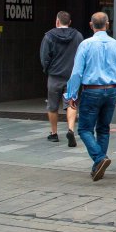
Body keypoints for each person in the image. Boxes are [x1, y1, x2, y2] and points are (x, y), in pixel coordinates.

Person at [65, 12, 116, 182]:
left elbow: (77, 72)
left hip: (92, 90)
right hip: (111, 90)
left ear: (91, 25)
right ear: (107, 25)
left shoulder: (86, 45)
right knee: (103, 128)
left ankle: (99, 158)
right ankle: (98, 165)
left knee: (85, 129)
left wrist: (71, 94)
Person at [39, 11, 83, 146]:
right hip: (72, 76)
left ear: (57, 21)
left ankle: (54, 133)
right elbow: (82, 55)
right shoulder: (78, 36)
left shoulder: (49, 36)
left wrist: (47, 70)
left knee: (52, 106)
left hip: (55, 76)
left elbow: (44, 57)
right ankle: (70, 129)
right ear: (69, 22)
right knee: (71, 103)